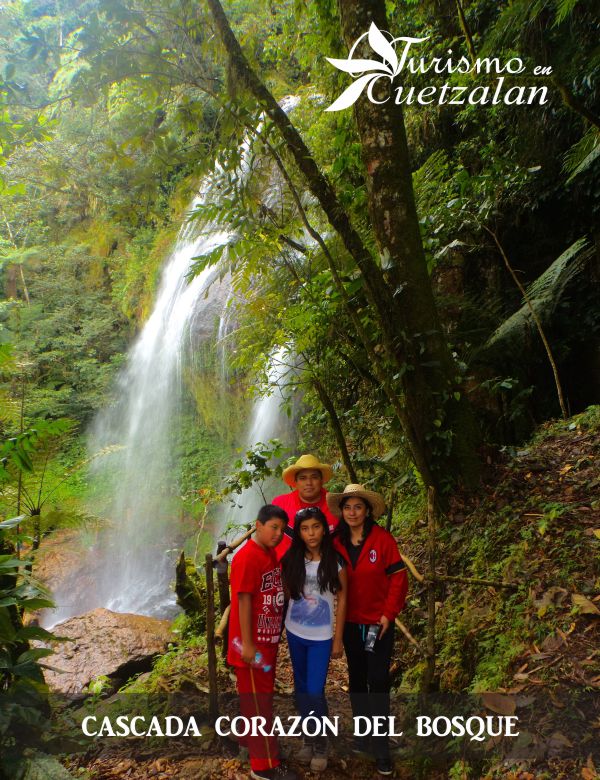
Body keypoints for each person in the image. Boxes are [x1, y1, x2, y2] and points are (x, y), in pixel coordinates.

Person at [327, 484, 408, 778]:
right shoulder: (335, 542)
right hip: (350, 624)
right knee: (358, 679)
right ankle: (363, 735)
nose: (352, 513)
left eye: (358, 507)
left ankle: (382, 747)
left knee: (378, 680)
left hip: (378, 624)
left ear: (368, 511)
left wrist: (389, 614)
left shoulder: (383, 540)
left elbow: (399, 578)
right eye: (347, 507)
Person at [227, 504, 297, 780]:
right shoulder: (247, 558)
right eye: (273, 528)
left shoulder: (268, 553)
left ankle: (249, 744)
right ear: (258, 525)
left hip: (264, 642)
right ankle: (264, 766)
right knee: (260, 705)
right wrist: (247, 645)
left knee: (256, 700)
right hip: (252, 647)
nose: (278, 534)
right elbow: (242, 601)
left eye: (281, 529)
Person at [281, 507, 347, 773]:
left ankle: (321, 743)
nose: (311, 534)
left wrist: (338, 638)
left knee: (314, 689)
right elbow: (288, 594)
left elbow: (343, 599)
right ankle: (309, 737)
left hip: (321, 637)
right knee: (301, 688)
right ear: (298, 532)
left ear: (324, 529)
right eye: (305, 528)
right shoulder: (292, 559)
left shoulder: (335, 562)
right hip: (295, 632)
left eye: (316, 527)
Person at [272, 454, 339, 561]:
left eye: (314, 477)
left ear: (321, 480)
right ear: (296, 482)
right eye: (303, 478)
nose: (309, 483)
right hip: (286, 572)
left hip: (328, 571)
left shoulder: (335, 505)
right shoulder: (280, 504)